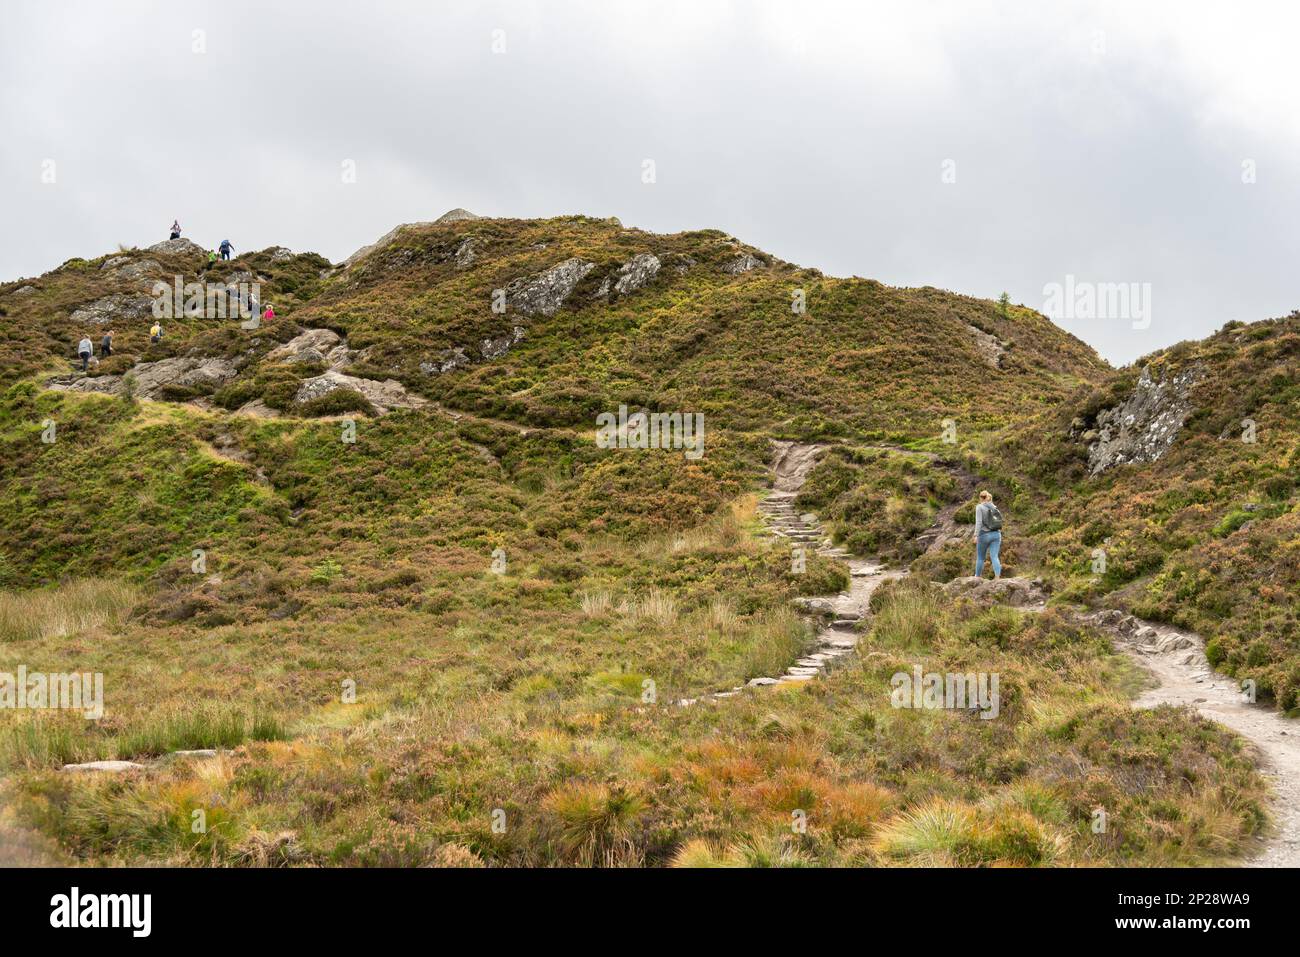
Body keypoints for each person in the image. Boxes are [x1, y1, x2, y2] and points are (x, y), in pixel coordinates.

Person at [973, 490, 1003, 579]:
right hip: (996, 534)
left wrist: (975, 535)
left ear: (980, 498)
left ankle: (977, 577)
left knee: (981, 558)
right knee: (994, 556)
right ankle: (997, 576)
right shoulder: (994, 507)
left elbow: (978, 522)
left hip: (984, 535)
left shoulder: (979, 507)